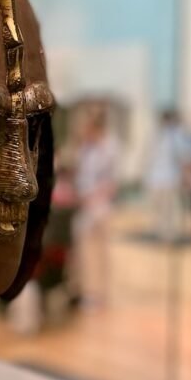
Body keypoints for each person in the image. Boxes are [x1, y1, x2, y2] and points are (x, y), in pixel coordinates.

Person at [72, 108, 120, 307]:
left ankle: (101, 293)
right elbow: (81, 175)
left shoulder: (111, 147)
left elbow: (112, 182)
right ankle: (87, 291)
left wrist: (94, 197)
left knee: (101, 252)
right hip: (85, 205)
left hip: (101, 206)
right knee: (85, 252)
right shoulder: (85, 148)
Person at [146, 109, 191, 242]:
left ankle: (168, 237)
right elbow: (187, 158)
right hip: (162, 179)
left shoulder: (172, 134)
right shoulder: (164, 135)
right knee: (166, 212)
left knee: (167, 212)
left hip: (166, 179)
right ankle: (166, 237)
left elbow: (186, 158)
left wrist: (190, 176)